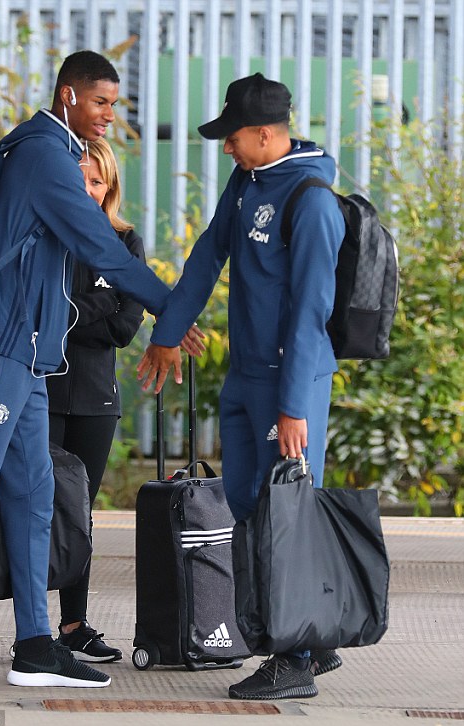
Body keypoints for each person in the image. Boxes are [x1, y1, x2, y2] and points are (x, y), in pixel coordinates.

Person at [0, 50, 188, 691]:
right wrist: (173, 307)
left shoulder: (50, 149)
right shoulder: (47, 155)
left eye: (115, 104)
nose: (110, 116)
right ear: (70, 95)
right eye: (101, 102)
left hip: (27, 354)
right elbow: (99, 245)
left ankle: (35, 645)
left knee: (34, 499)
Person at [137, 73, 346, 700]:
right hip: (246, 375)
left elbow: (312, 310)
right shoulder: (248, 181)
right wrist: (167, 331)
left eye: (232, 136)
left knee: (284, 512)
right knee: (249, 504)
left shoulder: (312, 202)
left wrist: (292, 406)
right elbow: (208, 253)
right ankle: (310, 636)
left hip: (290, 381)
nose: (224, 146)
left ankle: (294, 657)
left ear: (264, 133)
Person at [47, 138, 144, 662]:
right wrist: (100, 303)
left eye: (96, 181)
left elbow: (127, 326)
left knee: (79, 514)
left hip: (94, 401)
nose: (87, 190)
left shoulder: (125, 244)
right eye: (79, 180)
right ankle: (31, 629)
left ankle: (74, 625)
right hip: (41, 393)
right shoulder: (47, 238)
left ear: (109, 187)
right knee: (38, 510)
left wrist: (71, 311)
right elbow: (42, 314)